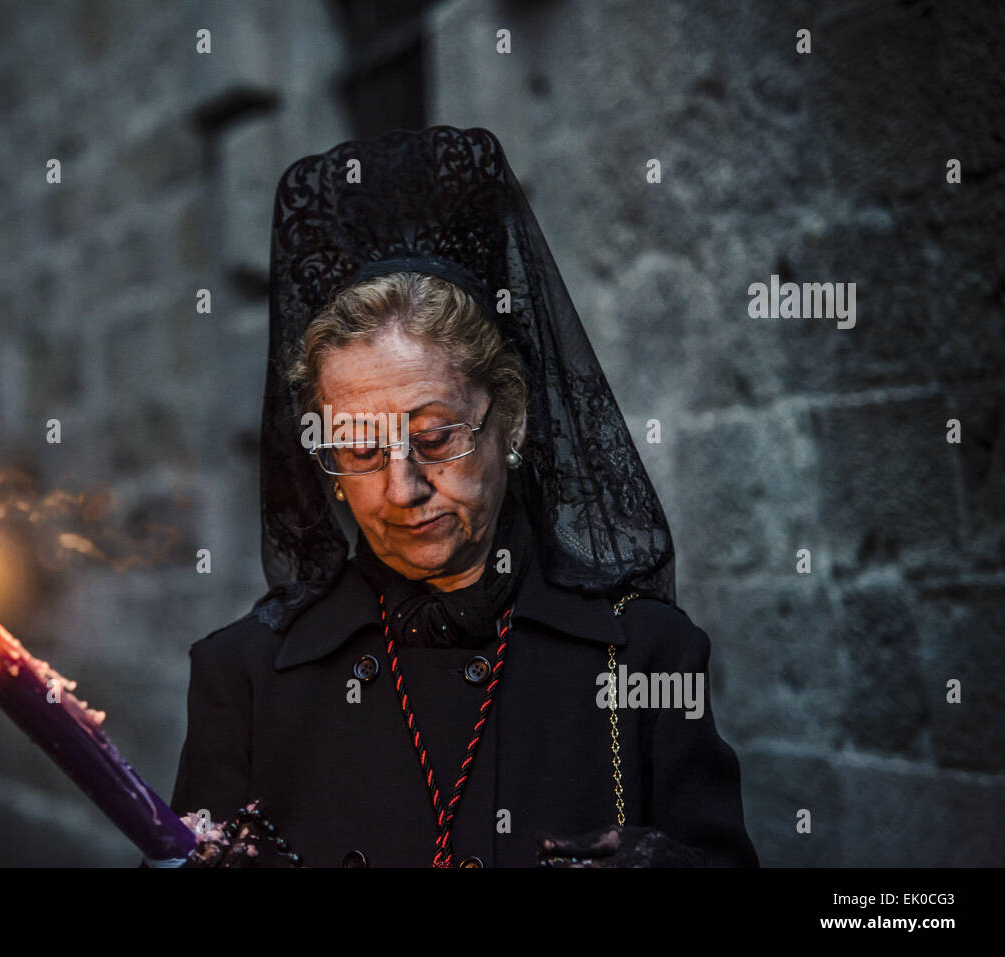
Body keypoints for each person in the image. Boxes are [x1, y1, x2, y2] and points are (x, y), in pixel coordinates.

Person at [170, 125, 757, 868]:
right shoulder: (246, 675)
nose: (403, 487)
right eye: (359, 448)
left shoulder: (646, 654)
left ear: (508, 416)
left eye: (437, 436)